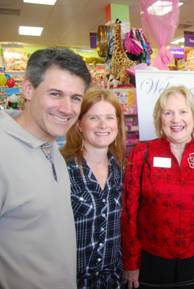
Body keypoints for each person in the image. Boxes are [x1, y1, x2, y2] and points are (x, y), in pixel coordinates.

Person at [122, 85, 194, 289]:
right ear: (159, 118)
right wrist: (131, 262)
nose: (176, 119)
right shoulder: (141, 153)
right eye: (168, 112)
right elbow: (129, 212)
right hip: (151, 259)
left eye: (183, 111)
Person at [0, 48, 91, 289]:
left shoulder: (51, 148)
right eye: (55, 94)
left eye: (75, 98)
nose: (67, 108)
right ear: (28, 89)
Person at [61, 88, 126, 289]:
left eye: (109, 117)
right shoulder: (63, 168)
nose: (103, 125)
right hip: (71, 280)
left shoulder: (121, 169)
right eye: (94, 118)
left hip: (113, 279)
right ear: (79, 124)